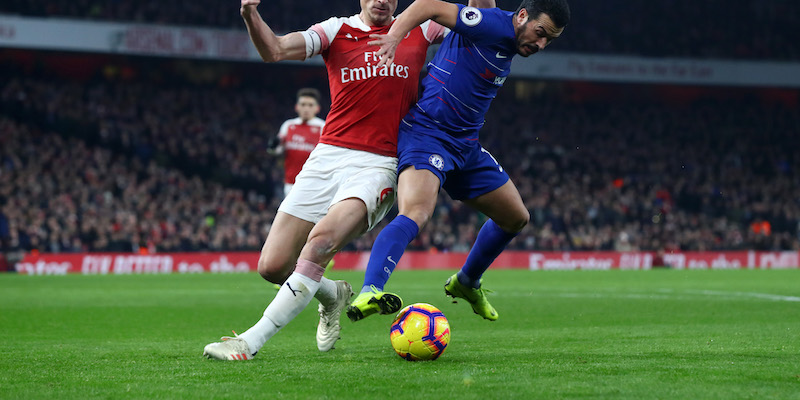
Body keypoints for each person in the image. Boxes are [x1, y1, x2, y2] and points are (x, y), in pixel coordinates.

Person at [204, 0, 491, 361]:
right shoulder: (335, 30)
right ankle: (332, 294)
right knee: (272, 266)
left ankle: (248, 342)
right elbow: (274, 50)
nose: (381, 1)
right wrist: (249, 14)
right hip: (327, 157)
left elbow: (480, 21)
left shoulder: (418, 27)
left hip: (381, 163)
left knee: (321, 242)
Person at [346, 0, 570, 322]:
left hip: (465, 145)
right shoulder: (490, 25)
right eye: (540, 33)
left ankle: (467, 282)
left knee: (516, 217)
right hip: (428, 134)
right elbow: (428, 5)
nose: (541, 44)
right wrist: (395, 34)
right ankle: (371, 290)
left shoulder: (506, 33)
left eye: (549, 39)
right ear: (522, 16)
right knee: (417, 212)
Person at [267, 88, 326, 198]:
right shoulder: (288, 125)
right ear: (297, 107)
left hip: (315, 184)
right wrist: (273, 146)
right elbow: (277, 150)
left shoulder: (323, 127)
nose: (306, 108)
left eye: (310, 105)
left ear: (317, 108)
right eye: (303, 104)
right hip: (291, 183)